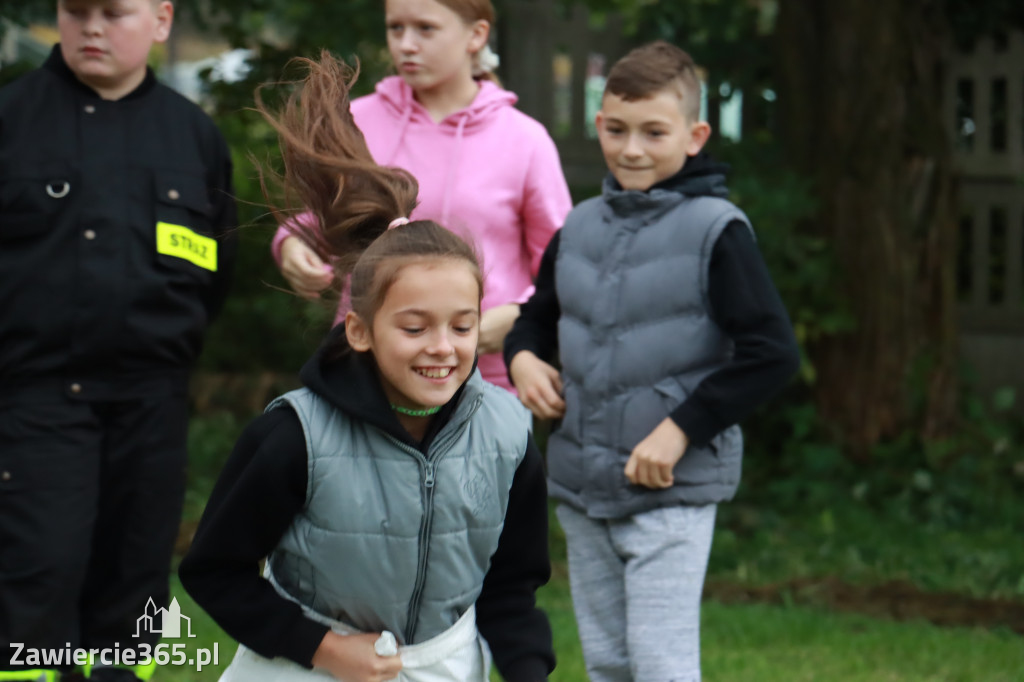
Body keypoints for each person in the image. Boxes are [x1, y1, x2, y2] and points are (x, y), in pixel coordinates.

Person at [179, 52, 554, 682]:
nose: (442, 346)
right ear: (359, 330)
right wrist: (323, 649)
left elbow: (512, 588)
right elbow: (214, 571)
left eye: (462, 326)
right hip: (302, 667)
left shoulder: (508, 432)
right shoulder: (294, 435)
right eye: (414, 327)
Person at [504, 41, 801, 682]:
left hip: (671, 491)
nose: (631, 148)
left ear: (694, 136)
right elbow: (534, 318)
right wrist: (524, 359)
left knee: (661, 666)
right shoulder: (578, 228)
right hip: (583, 488)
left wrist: (680, 431)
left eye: (653, 132)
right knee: (610, 664)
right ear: (598, 125)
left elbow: (772, 354)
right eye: (616, 129)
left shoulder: (718, 231)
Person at [0, 1, 237, 681]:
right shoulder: (11, 121)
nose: (92, 27)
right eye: (77, 11)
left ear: (162, 20)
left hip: (151, 406)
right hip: (36, 403)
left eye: (114, 12)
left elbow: (212, 278)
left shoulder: (194, 138)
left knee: (134, 586)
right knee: (38, 572)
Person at [271, 0, 572, 393]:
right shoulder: (358, 120)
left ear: (476, 35)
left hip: (484, 378)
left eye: (425, 29)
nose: (406, 45)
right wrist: (293, 245)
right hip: (365, 369)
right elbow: (320, 217)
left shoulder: (525, 139)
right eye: (396, 28)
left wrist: (519, 315)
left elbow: (564, 264)